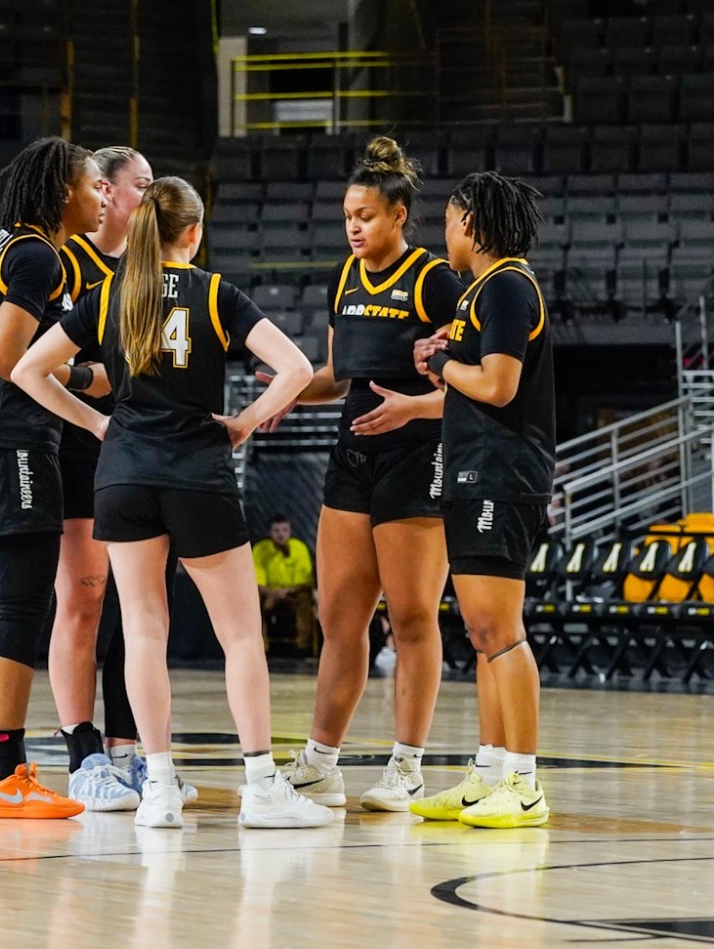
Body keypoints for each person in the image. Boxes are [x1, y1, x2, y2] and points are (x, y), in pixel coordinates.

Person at [14, 175, 331, 830]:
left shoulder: (107, 294)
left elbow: (25, 369)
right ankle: (262, 785)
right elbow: (298, 368)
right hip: (198, 472)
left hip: (123, 474)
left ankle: (155, 786)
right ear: (194, 231)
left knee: (141, 631)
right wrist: (245, 419)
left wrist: (96, 423)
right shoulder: (216, 292)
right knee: (240, 634)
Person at [277, 137, 466, 812]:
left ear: (397, 215)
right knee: (338, 616)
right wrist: (276, 397)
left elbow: (477, 385)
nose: (354, 226)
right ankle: (320, 762)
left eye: (365, 214)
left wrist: (412, 407)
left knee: (412, 617)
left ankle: (407, 765)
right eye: (347, 215)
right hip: (352, 454)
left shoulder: (434, 280)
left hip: (417, 456)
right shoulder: (343, 277)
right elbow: (335, 377)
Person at [0, 136, 105, 821]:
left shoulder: (16, 245)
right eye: (93, 184)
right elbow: (9, 356)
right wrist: (89, 404)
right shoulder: (38, 253)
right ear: (62, 191)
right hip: (11, 439)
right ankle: (6, 775)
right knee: (19, 608)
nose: (101, 195)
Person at [409, 171, 555, 829]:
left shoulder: (505, 286)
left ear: (470, 222)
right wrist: (440, 362)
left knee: (500, 631)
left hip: (502, 474)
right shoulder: (482, 292)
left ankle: (523, 782)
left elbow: (496, 385)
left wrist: (442, 364)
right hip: (473, 471)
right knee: (481, 631)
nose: (443, 233)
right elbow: (472, 382)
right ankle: (489, 773)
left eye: (446, 220)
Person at [43, 145, 157, 809]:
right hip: (81, 443)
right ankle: (80, 753)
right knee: (82, 601)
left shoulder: (151, 269)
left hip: (142, 447)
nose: (150, 195)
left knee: (135, 610)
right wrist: (99, 383)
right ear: (105, 192)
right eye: (140, 184)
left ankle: (127, 751)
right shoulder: (66, 261)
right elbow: (37, 358)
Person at [252, 514, 316, 653]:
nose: (281, 534)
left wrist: (286, 591)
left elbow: (304, 580)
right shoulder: (260, 549)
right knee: (253, 600)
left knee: (305, 598)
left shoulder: (300, 548)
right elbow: (257, 580)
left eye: (284, 530)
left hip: (293, 592)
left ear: (290, 531)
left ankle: (302, 646)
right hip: (268, 593)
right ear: (270, 533)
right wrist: (272, 593)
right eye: (276, 531)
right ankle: (261, 646)